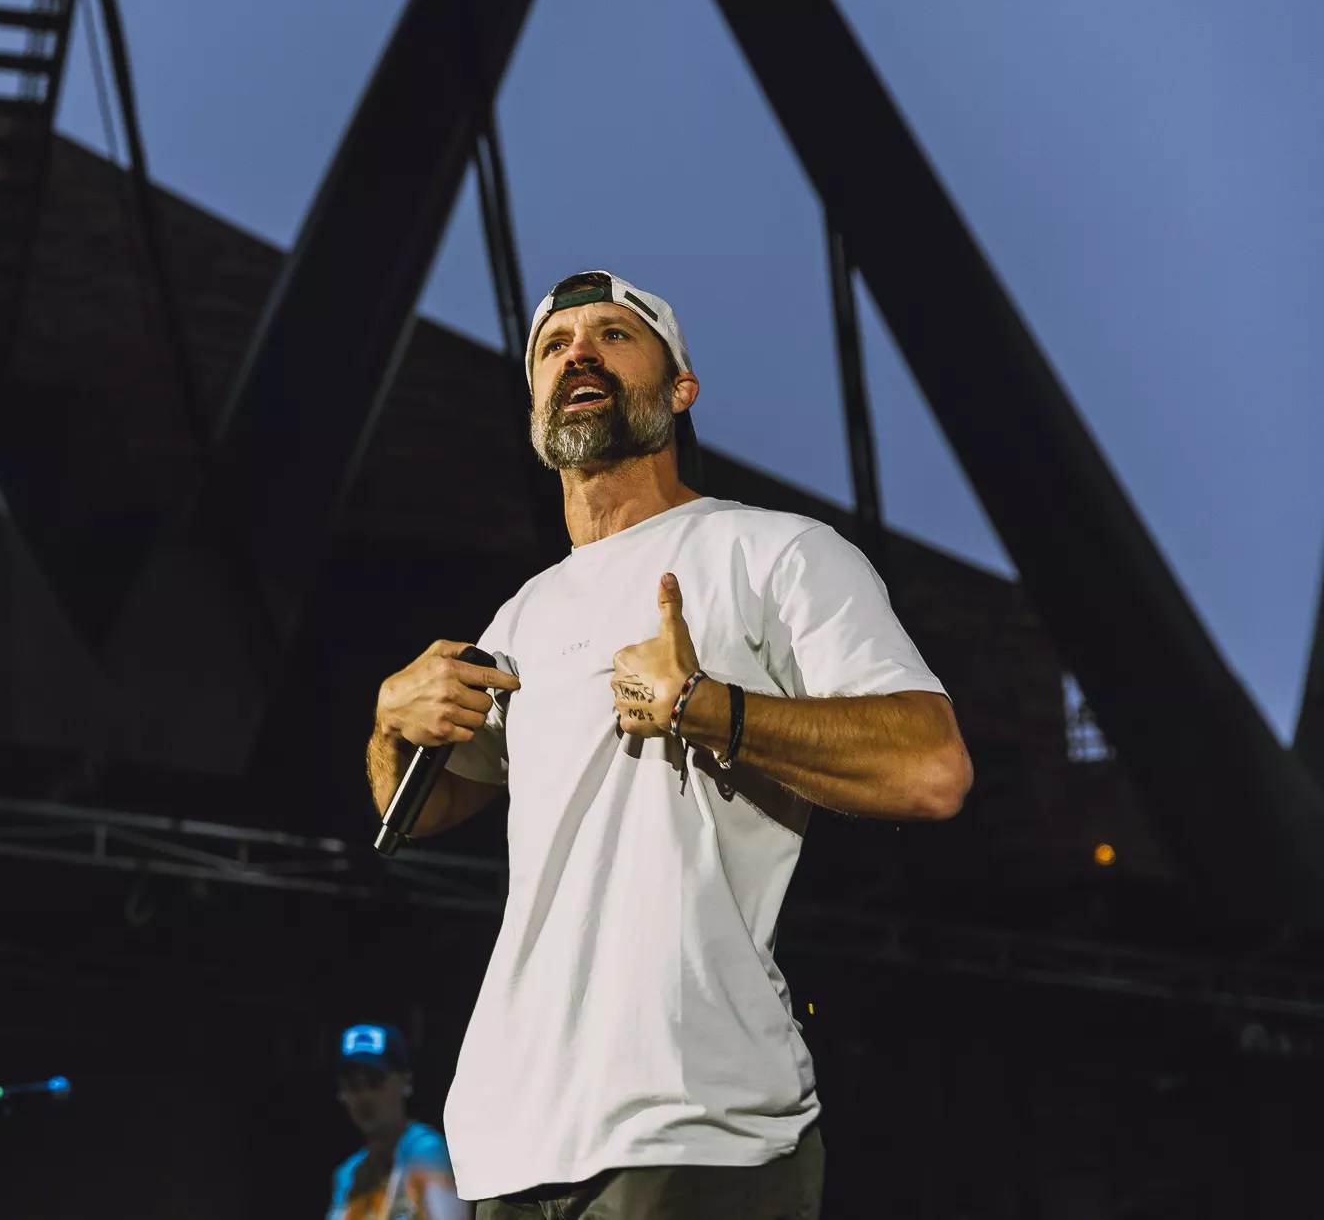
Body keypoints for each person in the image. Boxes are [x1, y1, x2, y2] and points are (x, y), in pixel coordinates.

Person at [365, 271, 972, 1219]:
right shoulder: (521, 615)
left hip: (699, 1123)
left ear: (680, 388)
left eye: (613, 335)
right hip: (506, 1144)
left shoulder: (775, 553)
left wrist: (709, 707)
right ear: (535, 405)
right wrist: (390, 721)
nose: (579, 353)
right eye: (555, 344)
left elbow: (933, 768)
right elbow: (418, 811)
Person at [326, 1023, 468, 1220]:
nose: (365, 1097)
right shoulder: (349, 1174)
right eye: (353, 1086)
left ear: (405, 1081)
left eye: (375, 1081)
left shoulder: (426, 1151)